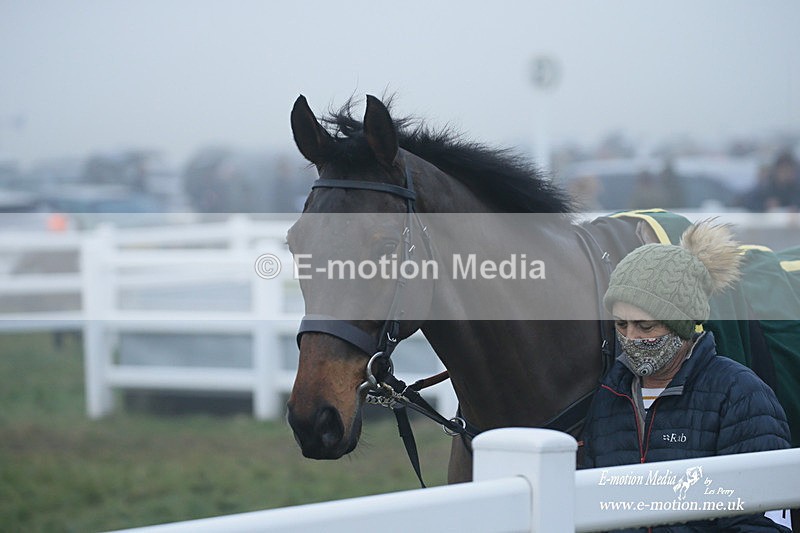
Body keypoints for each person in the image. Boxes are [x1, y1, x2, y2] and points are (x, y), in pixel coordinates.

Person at [580, 220, 792, 532]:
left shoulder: (741, 396)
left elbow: (759, 521)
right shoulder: (609, 395)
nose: (631, 337)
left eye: (646, 326)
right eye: (621, 325)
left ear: (682, 323)